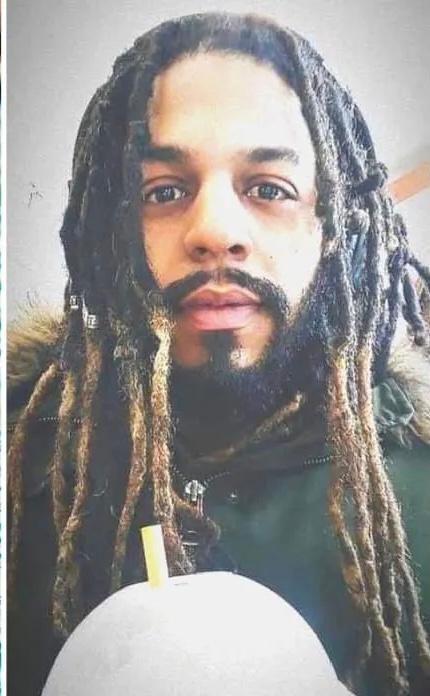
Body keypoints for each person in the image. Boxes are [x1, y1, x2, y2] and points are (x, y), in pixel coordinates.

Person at [7, 12, 430, 696]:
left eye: (268, 189)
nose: (214, 230)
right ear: (110, 231)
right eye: (165, 192)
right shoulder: (19, 459)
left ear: (331, 230)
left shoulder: (419, 480)